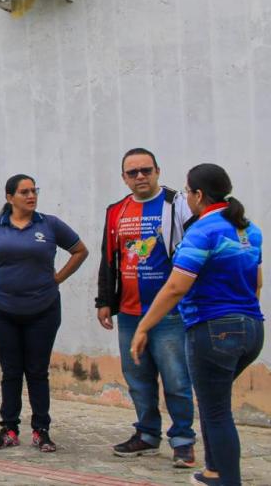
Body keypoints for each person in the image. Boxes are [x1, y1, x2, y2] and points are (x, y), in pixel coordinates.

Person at [131, 164, 263, 486]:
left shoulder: (202, 231)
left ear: (199, 195)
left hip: (213, 329)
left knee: (217, 411)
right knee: (213, 402)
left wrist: (144, 326)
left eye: (188, 192)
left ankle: (227, 481)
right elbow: (257, 283)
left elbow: (177, 286)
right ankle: (214, 472)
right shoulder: (249, 230)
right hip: (252, 329)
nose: (186, 197)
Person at [0, 174, 88, 453]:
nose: (31, 196)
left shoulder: (49, 225)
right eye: (24, 192)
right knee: (11, 371)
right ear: (10, 197)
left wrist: (58, 278)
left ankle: (41, 430)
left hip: (43, 310)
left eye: (34, 191)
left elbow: (80, 251)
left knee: (37, 371)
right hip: (3, 309)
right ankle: (9, 428)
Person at [95, 148, 196, 467]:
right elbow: (108, 257)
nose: (140, 177)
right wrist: (104, 301)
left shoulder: (176, 203)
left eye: (146, 170)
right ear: (124, 177)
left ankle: (182, 440)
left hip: (170, 311)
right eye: (133, 172)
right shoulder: (116, 211)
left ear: (157, 171)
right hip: (128, 311)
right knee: (137, 376)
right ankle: (147, 435)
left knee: (176, 378)